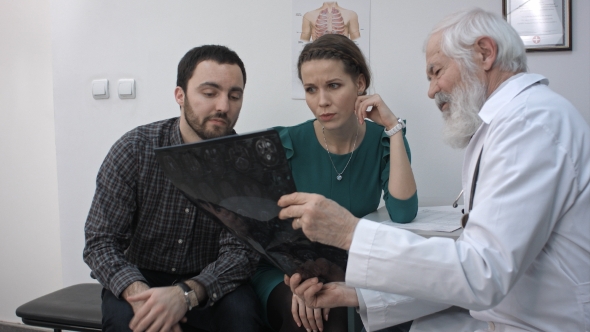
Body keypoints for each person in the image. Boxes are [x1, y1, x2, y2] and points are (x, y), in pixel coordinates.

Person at [280, 8, 590, 332]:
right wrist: (357, 294)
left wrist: (349, 232)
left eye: (436, 71)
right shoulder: (508, 125)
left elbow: (481, 274)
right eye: (310, 89)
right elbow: (474, 273)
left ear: (484, 53)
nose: (431, 91)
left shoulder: (530, 125)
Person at [83, 45, 263, 332]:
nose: (223, 106)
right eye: (209, 93)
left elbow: (241, 254)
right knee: (127, 324)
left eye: (234, 95)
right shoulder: (135, 149)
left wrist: (186, 295)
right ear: (180, 95)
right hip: (140, 276)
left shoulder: (246, 165)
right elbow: (100, 241)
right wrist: (141, 296)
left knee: (244, 317)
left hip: (210, 279)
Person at [251, 34, 418, 332]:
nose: (322, 101)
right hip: (285, 271)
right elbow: (264, 230)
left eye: (334, 86)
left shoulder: (384, 140)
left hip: (349, 268)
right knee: (324, 320)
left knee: (402, 309)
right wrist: (297, 282)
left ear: (361, 84)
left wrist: (394, 128)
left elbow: (403, 212)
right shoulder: (284, 143)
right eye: (310, 90)